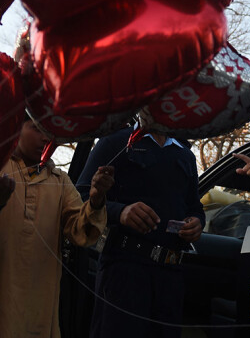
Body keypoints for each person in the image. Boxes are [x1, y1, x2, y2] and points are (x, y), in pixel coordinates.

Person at [0, 116, 113, 338]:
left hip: (34, 313)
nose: (46, 138)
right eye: (37, 128)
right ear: (15, 128)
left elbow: (83, 234)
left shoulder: (60, 181)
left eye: (50, 131)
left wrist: (96, 201)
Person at [76, 123, 205, 338]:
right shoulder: (115, 141)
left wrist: (197, 222)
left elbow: (194, 207)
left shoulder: (185, 153)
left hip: (170, 277)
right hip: (125, 271)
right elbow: (80, 196)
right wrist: (120, 212)